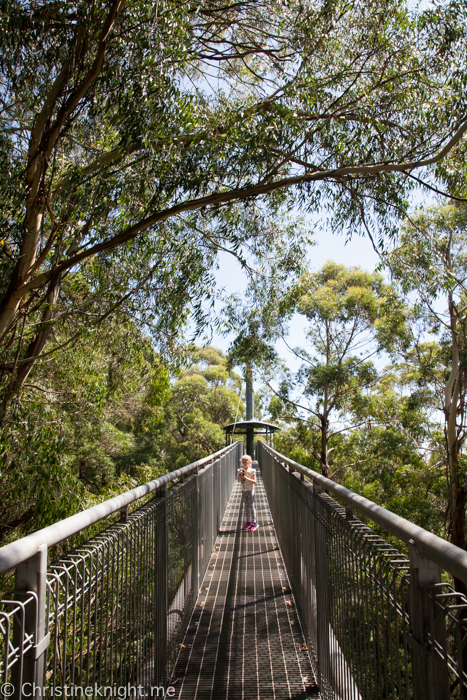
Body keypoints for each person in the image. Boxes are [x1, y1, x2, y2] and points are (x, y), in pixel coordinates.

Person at [238, 454, 258, 531]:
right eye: (243, 462)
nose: (244, 463)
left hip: (250, 490)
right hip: (244, 490)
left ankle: (254, 522)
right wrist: (240, 475)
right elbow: (239, 480)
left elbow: (255, 481)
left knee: (251, 506)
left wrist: (246, 478)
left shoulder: (252, 471)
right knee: (246, 506)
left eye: (246, 462)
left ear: (249, 462)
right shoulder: (242, 470)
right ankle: (248, 521)